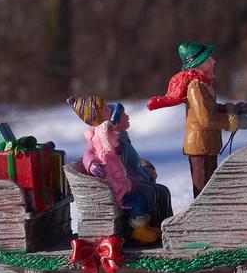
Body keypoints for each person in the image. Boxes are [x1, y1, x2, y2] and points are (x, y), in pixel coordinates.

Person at [147, 42, 247, 197]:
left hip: (207, 144)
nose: (213, 61)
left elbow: (211, 108)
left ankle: (209, 217)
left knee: (210, 187)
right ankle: (202, 219)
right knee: (203, 191)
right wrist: (235, 121)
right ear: (200, 65)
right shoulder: (195, 88)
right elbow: (207, 120)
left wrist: (233, 109)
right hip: (199, 146)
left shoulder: (203, 85)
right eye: (209, 59)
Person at [68, 96, 173, 244]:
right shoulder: (94, 137)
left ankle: (150, 226)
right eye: (105, 109)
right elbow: (88, 154)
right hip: (113, 188)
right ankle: (140, 230)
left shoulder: (108, 133)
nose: (108, 110)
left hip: (123, 182)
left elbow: (121, 152)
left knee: (150, 192)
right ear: (94, 116)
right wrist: (92, 164)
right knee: (140, 199)